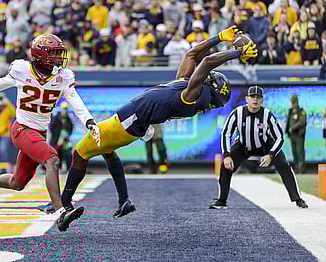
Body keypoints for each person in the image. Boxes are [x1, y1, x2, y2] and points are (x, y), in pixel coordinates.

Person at [40, 26, 259, 218]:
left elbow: (208, 61)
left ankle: (64, 203)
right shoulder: (190, 87)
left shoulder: (194, 97)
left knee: (80, 153)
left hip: (130, 121)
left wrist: (237, 52)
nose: (209, 76)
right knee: (107, 150)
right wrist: (219, 37)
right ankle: (124, 200)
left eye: (211, 78)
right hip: (133, 120)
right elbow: (193, 54)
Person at [0, 34, 101, 232]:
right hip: (22, 129)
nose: (60, 58)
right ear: (41, 55)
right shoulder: (21, 69)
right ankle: (60, 212)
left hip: (40, 134)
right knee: (52, 159)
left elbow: (74, 100)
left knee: (18, 182)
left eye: (60, 54)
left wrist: (89, 121)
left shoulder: (63, 76)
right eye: (55, 54)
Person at [210, 86, 308, 209]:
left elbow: (279, 137)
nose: (255, 99)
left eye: (258, 97)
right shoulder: (237, 113)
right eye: (252, 97)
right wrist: (227, 155)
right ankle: (222, 200)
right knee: (225, 166)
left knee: (284, 165)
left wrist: (271, 154)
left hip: (265, 145)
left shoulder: (267, 115)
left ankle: (297, 198)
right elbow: (226, 133)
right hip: (243, 145)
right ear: (247, 99)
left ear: (262, 100)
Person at [49, 101, 73, 173]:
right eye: (64, 109)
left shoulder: (68, 119)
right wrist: (59, 138)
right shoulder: (56, 118)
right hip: (56, 141)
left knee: (68, 154)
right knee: (56, 155)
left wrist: (65, 136)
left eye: (66, 109)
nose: (65, 111)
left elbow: (70, 129)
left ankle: (68, 169)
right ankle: (56, 169)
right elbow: (52, 129)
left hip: (65, 141)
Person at [285, 94, 307, 174]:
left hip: (299, 135)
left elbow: (302, 122)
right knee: (294, 152)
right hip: (292, 135)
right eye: (292, 101)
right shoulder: (290, 111)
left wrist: (293, 128)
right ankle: (296, 168)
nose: (293, 103)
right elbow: (288, 122)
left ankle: (301, 169)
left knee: (300, 152)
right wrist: (287, 131)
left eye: (294, 101)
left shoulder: (301, 111)